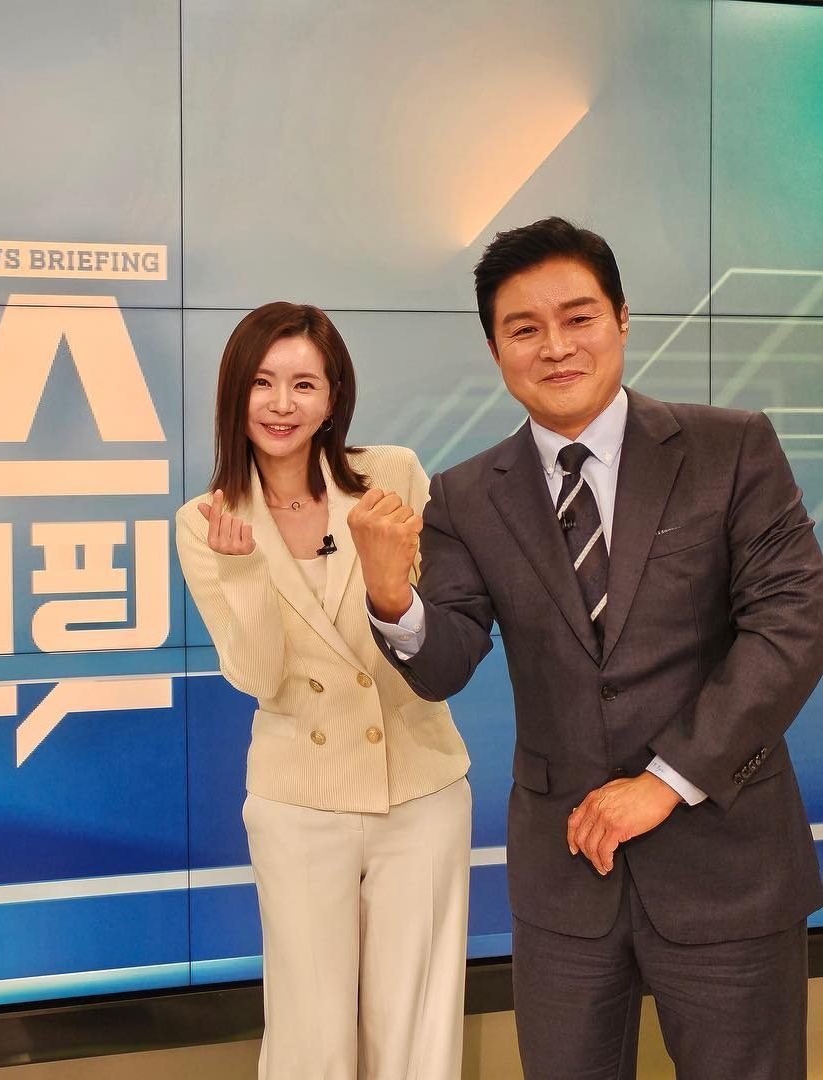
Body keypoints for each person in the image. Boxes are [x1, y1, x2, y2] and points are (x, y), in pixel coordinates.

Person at [351, 216, 823, 1079]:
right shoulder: (465, 495)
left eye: (578, 318)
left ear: (622, 319)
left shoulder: (729, 448)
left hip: (727, 864)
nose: (556, 347)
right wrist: (390, 597)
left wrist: (664, 782)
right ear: (495, 349)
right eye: (524, 328)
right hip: (565, 882)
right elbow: (446, 661)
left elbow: (792, 624)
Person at [175, 302, 471, 1079]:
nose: (282, 404)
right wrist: (244, 573)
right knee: (311, 1039)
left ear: (334, 397)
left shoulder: (391, 477)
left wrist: (385, 573)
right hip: (299, 802)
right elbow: (257, 678)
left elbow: (435, 624)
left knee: (416, 1032)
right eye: (262, 382)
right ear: (234, 393)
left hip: (420, 786)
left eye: (304, 384)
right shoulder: (205, 521)